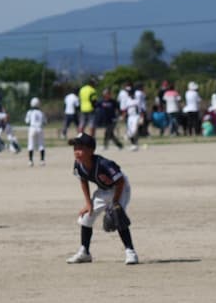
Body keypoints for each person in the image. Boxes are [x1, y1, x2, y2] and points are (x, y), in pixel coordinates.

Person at [65, 132, 138, 265]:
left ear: (91, 150)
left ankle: (130, 252)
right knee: (86, 217)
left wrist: (115, 202)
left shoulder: (104, 164)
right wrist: (88, 204)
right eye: (75, 148)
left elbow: (120, 181)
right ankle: (84, 252)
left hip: (120, 187)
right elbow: (83, 181)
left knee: (117, 214)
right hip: (103, 190)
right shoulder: (78, 164)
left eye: (80, 148)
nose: (76, 152)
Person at [25, 97, 47, 166]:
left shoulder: (30, 112)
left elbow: (27, 121)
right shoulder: (41, 112)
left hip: (32, 128)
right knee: (41, 145)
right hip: (40, 128)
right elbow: (45, 122)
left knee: (31, 144)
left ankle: (30, 161)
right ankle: (42, 161)